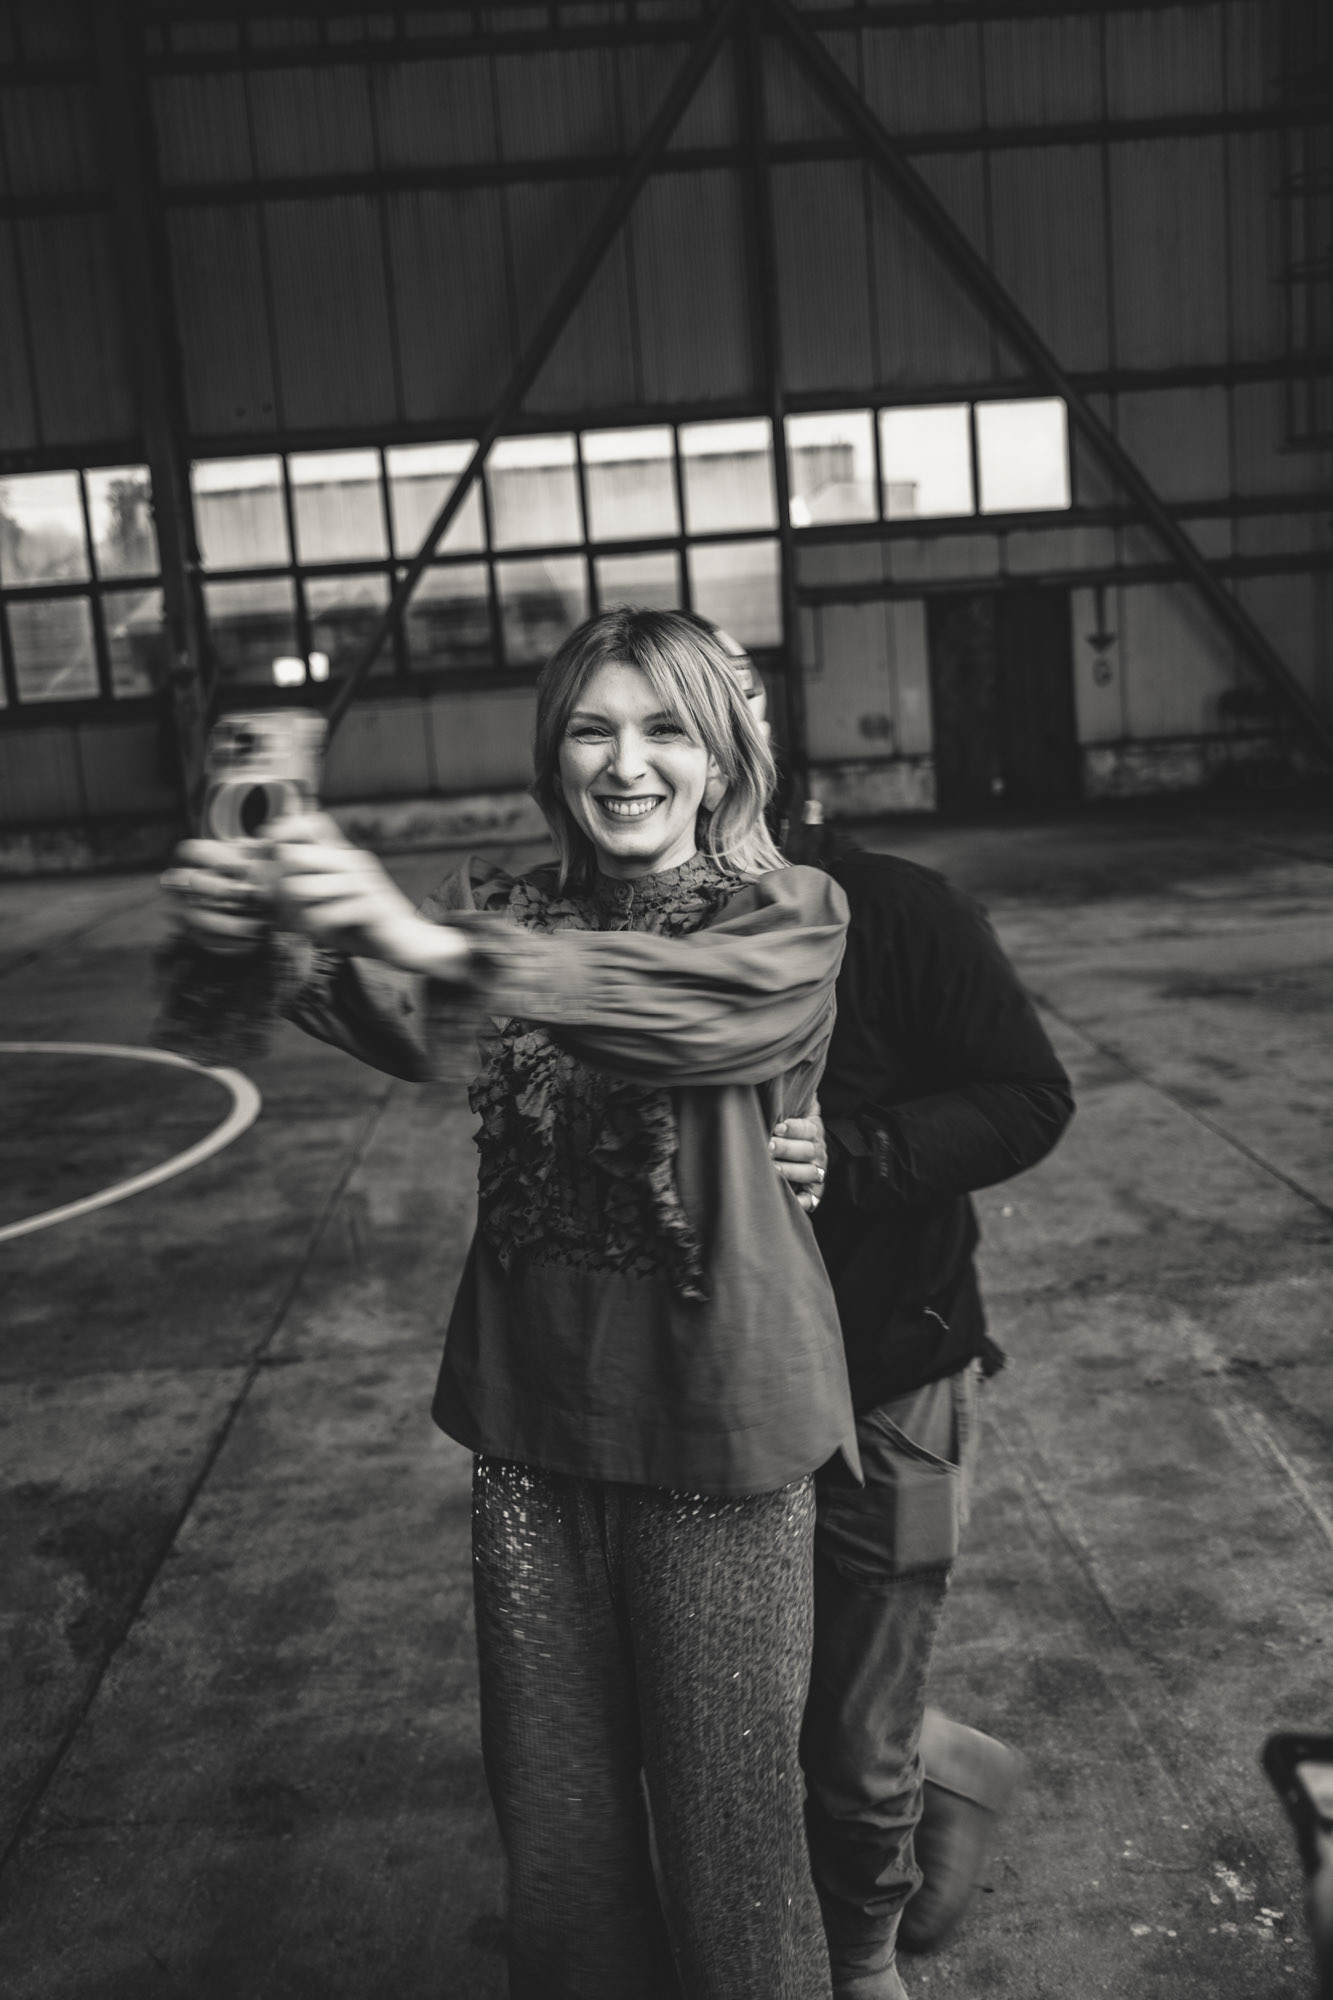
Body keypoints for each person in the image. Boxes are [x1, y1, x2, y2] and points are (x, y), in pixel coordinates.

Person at [156, 608, 859, 2000]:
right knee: (561, 1838)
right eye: (592, 730)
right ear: (554, 754)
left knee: (730, 1847)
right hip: (532, 1422)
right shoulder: (505, 903)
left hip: (718, 1428)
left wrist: (433, 941)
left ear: (723, 757)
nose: (626, 764)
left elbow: (696, 1011)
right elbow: (383, 1008)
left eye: (665, 731)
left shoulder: (785, 914)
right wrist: (248, 924)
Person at [709, 628, 1075, 2000]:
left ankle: (863, 1961)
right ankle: (949, 1761)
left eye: (706, 715)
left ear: (758, 737)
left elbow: (1027, 1098)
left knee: (850, 1737)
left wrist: (853, 1154)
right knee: (750, 1699)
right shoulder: (628, 940)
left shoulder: (897, 911)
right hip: (708, 1394)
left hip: (886, 1378)